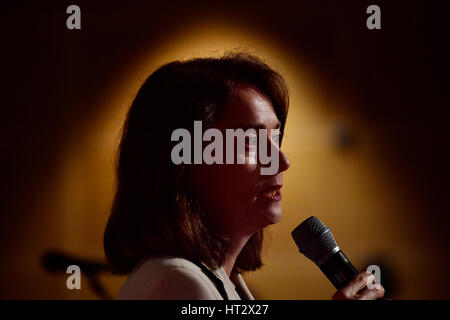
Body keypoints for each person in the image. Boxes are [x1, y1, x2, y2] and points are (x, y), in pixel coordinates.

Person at [103, 53, 385, 300]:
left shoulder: (219, 279)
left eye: (276, 137)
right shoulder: (177, 282)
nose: (282, 161)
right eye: (250, 140)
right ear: (183, 164)